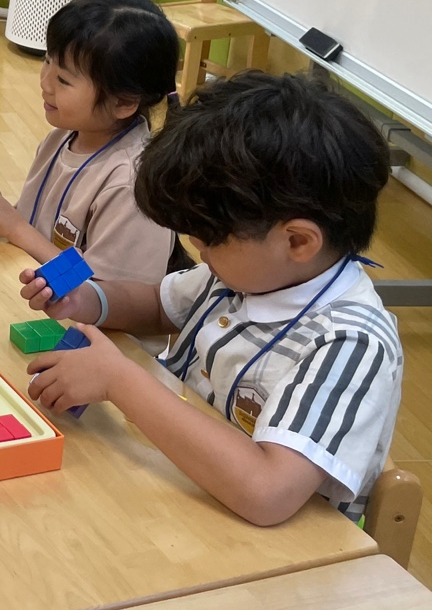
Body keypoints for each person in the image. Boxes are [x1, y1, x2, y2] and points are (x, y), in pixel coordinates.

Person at [20, 72, 400, 526]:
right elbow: (161, 306)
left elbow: (267, 493)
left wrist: (119, 381)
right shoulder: (250, 272)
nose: (198, 250)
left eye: (209, 240)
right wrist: (89, 301)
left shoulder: (351, 344)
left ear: (298, 241)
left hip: (267, 556)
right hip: (178, 496)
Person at [0, 0, 184, 283]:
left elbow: (100, 293)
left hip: (96, 327)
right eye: (48, 61)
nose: (45, 83)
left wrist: (14, 227)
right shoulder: (61, 138)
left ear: (123, 102)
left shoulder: (130, 185)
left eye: (64, 79)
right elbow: (39, 233)